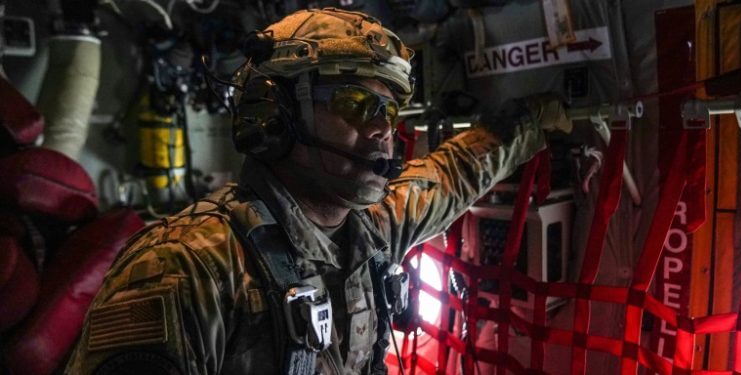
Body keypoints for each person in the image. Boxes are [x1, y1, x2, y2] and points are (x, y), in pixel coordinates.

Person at [66, 7, 570, 375]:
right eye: (355, 104)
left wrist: (541, 117)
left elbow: (454, 174)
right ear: (274, 116)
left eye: (388, 112)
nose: (381, 131)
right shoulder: (187, 268)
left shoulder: (369, 231)